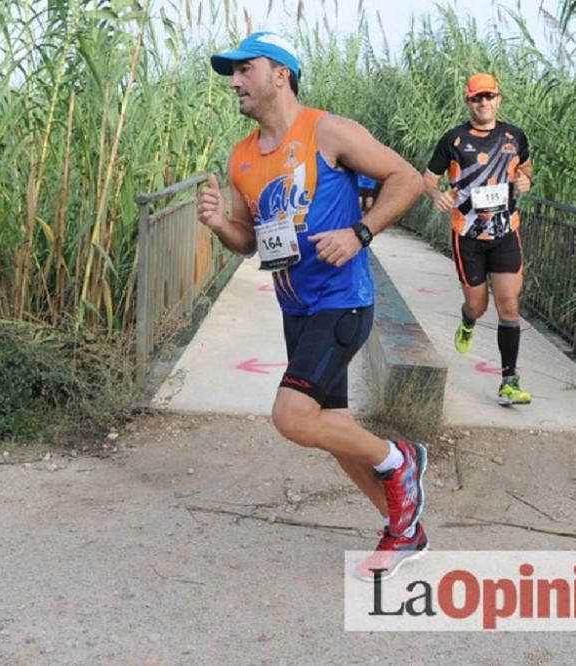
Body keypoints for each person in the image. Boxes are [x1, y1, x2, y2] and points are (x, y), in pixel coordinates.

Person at [197, 32, 428, 580]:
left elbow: (408, 179)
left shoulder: (327, 131)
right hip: (295, 307)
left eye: (243, 70)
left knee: (292, 416)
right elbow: (249, 240)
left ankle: (401, 460)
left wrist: (360, 232)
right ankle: (405, 531)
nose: (234, 83)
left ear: (280, 74)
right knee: (334, 429)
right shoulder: (243, 157)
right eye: (231, 74)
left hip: (342, 300)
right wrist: (218, 224)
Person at [422, 73, 534, 406]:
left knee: (509, 305)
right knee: (478, 304)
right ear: (467, 101)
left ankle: (509, 381)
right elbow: (428, 179)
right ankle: (468, 321)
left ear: (499, 99)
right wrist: (435, 195)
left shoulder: (515, 136)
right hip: (468, 235)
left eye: (489, 97)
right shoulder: (454, 140)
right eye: (476, 98)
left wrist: (525, 181)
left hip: (505, 232)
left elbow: (526, 171)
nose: (483, 103)